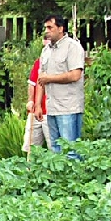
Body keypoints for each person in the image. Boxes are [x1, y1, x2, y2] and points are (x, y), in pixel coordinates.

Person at [34, 15, 85, 154]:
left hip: (69, 107)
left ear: (61, 28)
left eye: (50, 27)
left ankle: (74, 175)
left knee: (71, 150)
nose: (47, 31)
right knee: (55, 150)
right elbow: (41, 79)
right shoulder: (46, 50)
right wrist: (38, 104)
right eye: (45, 28)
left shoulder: (72, 47)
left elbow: (75, 75)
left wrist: (49, 78)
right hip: (51, 107)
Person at [23, 37, 52, 152]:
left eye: (48, 39)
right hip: (36, 111)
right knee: (32, 147)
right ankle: (31, 168)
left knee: (53, 147)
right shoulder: (39, 62)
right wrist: (31, 101)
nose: (46, 42)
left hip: (51, 112)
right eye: (45, 39)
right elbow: (32, 84)